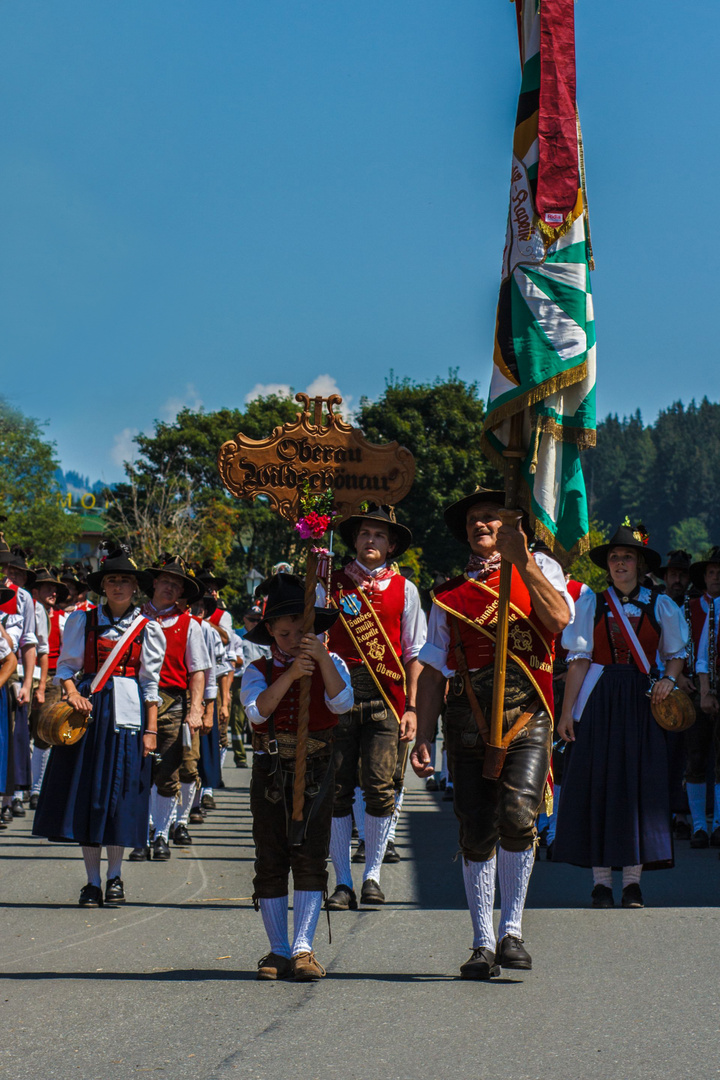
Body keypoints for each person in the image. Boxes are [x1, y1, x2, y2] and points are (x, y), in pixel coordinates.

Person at [411, 487, 572, 979]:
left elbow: (560, 620)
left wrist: (520, 562)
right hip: (467, 715)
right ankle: (482, 942)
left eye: (491, 518)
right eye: (473, 521)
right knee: (475, 826)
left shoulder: (541, 569)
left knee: (519, 815)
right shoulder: (449, 595)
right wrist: (422, 732)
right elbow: (435, 670)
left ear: (513, 524)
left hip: (528, 711)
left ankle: (513, 931)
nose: (482, 525)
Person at [553, 524, 688, 908]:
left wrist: (668, 680)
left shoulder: (661, 604)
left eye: (627, 557)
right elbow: (578, 663)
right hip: (598, 702)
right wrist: (567, 715)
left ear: (640, 564)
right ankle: (601, 885)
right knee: (600, 784)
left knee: (639, 788)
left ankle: (632, 884)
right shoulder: (591, 604)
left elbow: (677, 655)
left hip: (643, 703)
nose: (619, 563)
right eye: (614, 558)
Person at [32, 548, 166, 906]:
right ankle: (92, 882)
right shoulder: (82, 620)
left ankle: (115, 877)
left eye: (124, 580)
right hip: (89, 713)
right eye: (111, 580)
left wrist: (151, 731)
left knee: (119, 797)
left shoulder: (148, 629)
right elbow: (65, 668)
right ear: (102, 587)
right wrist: (73, 694)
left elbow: (150, 685)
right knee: (88, 796)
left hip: (127, 715)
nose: (118, 585)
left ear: (136, 587)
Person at [240, 573, 353, 981]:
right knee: (271, 858)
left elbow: (341, 703)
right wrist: (290, 675)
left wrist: (321, 660)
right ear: (269, 631)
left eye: (299, 631)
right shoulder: (256, 669)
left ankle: (304, 949)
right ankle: (278, 951)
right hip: (271, 771)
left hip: (318, 769)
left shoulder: (331, 662)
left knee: (310, 856)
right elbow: (257, 712)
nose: (291, 639)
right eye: (284, 632)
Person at [324, 504, 426, 910]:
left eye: (380, 535)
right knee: (336, 790)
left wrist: (413, 706)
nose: (371, 540)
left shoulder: (407, 590)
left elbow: (413, 652)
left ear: (392, 544)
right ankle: (343, 881)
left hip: (387, 699)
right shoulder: (331, 583)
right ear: (354, 540)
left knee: (381, 788)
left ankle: (372, 875)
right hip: (339, 697)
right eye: (365, 533)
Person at [138, 555, 209, 861]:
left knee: (168, 771)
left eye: (176, 585)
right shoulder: (134, 618)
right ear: (154, 583)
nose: (169, 588)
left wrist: (196, 709)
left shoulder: (189, 625)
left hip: (171, 704)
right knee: (135, 771)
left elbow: (198, 671)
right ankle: (141, 830)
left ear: (181, 592)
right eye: (165, 581)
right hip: (132, 701)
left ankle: (161, 834)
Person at [685, 546, 720, 848]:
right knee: (695, 756)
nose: (716, 577)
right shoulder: (690, 607)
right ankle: (698, 825)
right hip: (698, 688)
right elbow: (691, 652)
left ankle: (718, 823)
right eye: (711, 572)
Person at [28, 568, 69, 809]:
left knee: (44, 732)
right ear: (35, 591)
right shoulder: (26, 611)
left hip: (53, 677)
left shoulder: (63, 617)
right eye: (47, 588)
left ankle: (37, 788)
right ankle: (20, 788)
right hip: (25, 675)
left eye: (55, 589)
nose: (53, 591)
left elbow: (67, 652)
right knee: (22, 732)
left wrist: (65, 685)